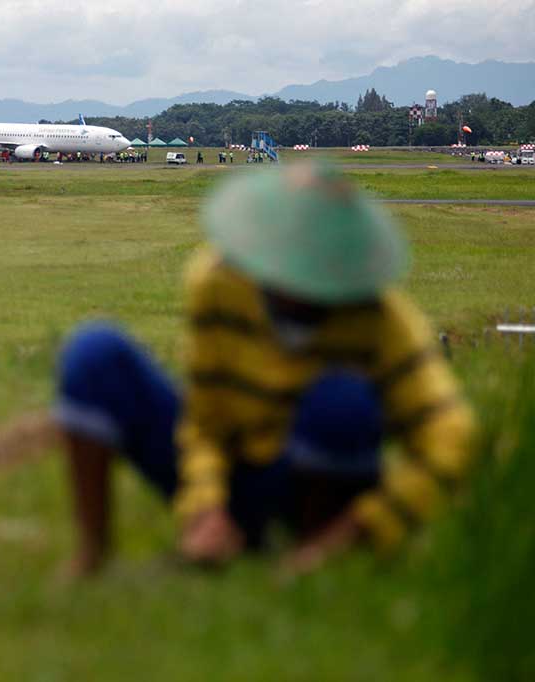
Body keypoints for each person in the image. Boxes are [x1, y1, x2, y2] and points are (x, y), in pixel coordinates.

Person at [54, 162, 475, 577]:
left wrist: (365, 526)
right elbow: (205, 418)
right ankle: (94, 555)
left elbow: (451, 438)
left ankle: (314, 554)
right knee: (95, 352)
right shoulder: (219, 283)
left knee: (342, 399)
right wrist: (205, 507)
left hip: (313, 483)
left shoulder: (379, 317)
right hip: (236, 465)